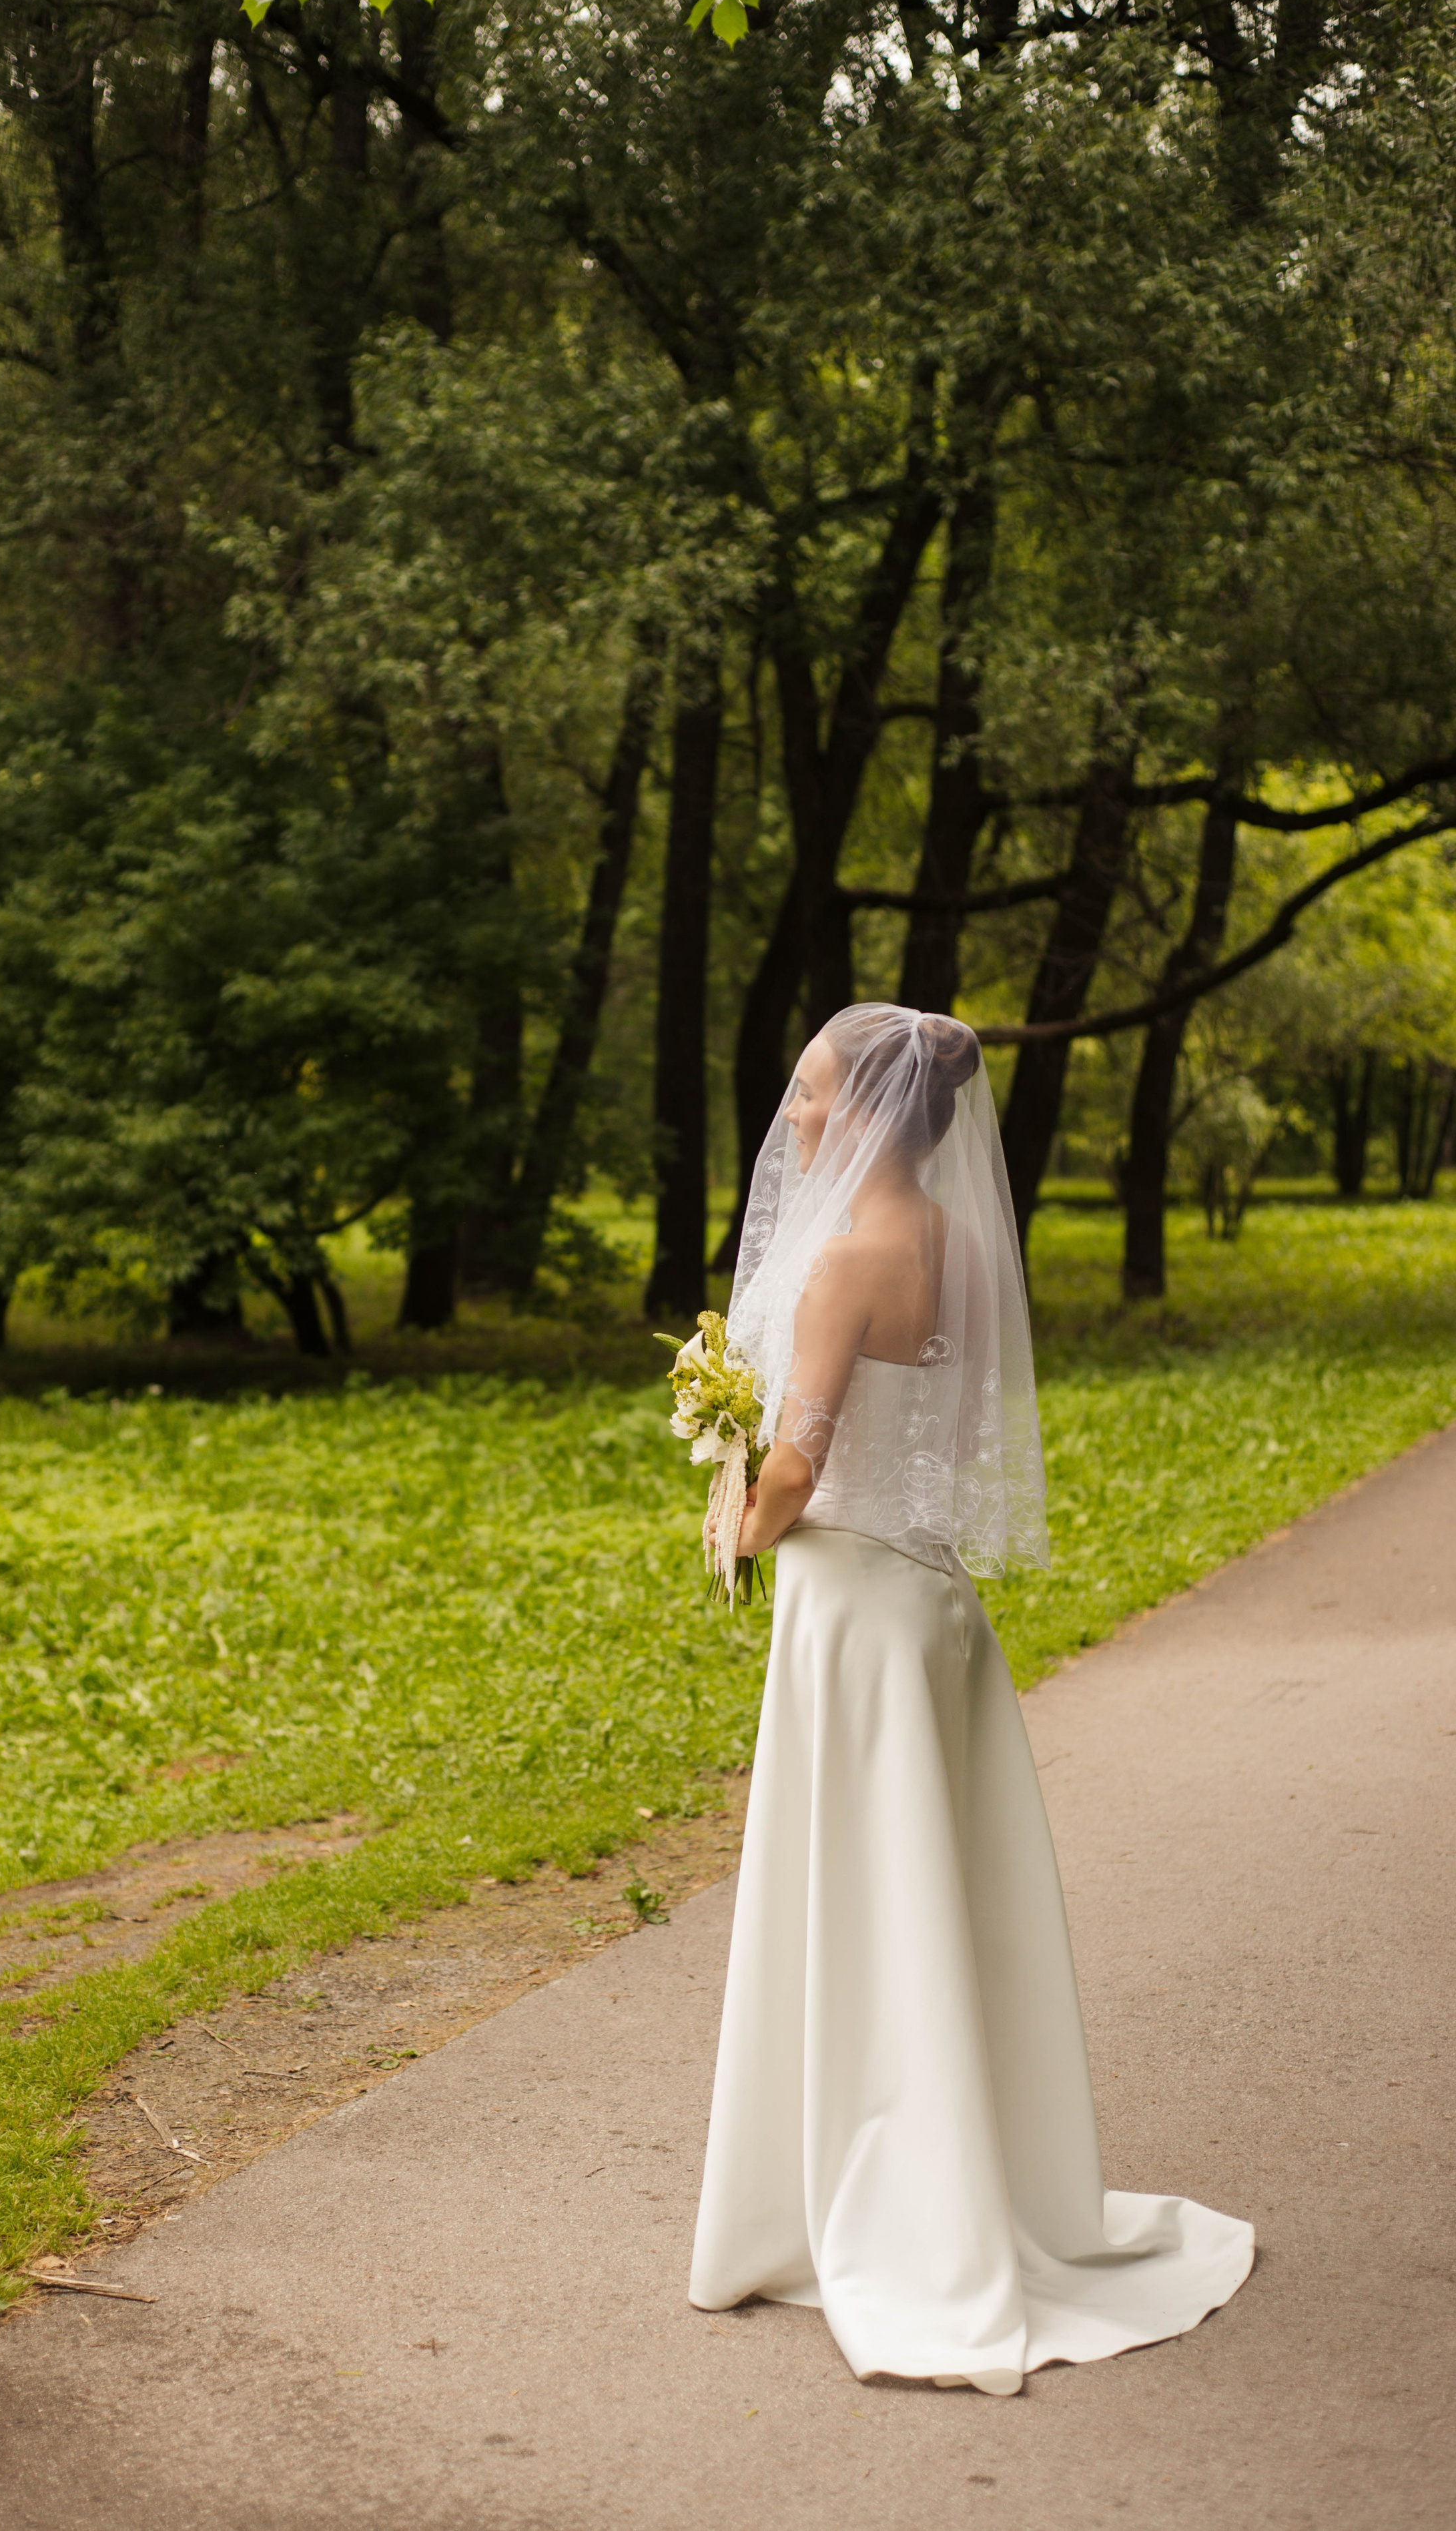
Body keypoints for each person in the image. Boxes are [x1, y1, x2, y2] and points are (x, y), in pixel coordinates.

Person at [687, 1004, 1254, 2396]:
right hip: (928, 1603)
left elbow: (799, 1468)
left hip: (852, 1614)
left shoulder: (836, 1264)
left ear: (871, 1112)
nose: (795, 1115)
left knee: (855, 1902)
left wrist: (729, 1525)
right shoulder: (936, 1239)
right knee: (924, 1904)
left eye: (812, 1095)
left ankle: (875, 2221)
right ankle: (941, 2182)